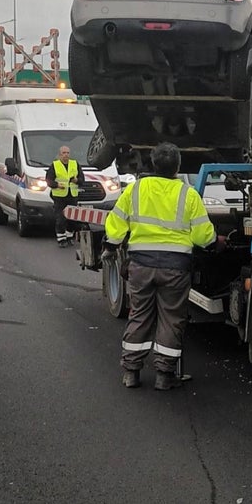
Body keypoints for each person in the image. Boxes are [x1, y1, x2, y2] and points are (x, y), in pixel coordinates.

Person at [103, 142, 218, 391]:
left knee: (139, 315)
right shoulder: (188, 194)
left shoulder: (136, 189)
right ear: (177, 167)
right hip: (175, 268)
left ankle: (131, 373)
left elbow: (116, 223)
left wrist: (110, 247)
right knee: (171, 319)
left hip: (141, 265)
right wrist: (213, 243)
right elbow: (203, 237)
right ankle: (164, 377)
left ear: (153, 165)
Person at [46, 145, 85, 247]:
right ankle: (61, 239)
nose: (66, 155)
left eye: (67, 153)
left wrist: (77, 180)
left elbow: (82, 180)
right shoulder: (54, 165)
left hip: (72, 195)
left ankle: (69, 237)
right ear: (59, 155)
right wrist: (57, 185)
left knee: (72, 218)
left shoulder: (75, 164)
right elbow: (49, 181)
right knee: (61, 218)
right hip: (59, 196)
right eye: (64, 153)